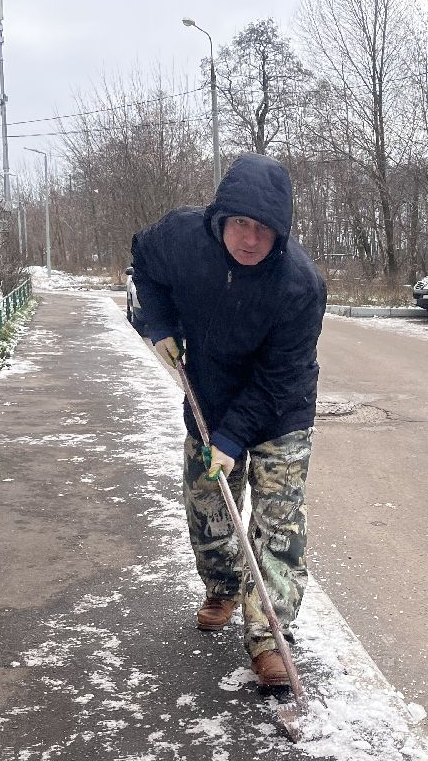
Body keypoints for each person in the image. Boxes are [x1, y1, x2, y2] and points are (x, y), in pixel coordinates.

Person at [130, 153, 326, 688]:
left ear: (280, 234)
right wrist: (159, 323)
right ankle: (220, 585)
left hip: (280, 409)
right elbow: (143, 266)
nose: (249, 239)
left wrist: (235, 437)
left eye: (264, 229)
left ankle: (269, 640)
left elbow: (278, 377)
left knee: (277, 523)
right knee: (209, 508)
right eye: (240, 222)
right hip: (208, 395)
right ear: (220, 217)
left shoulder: (298, 286)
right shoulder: (179, 238)